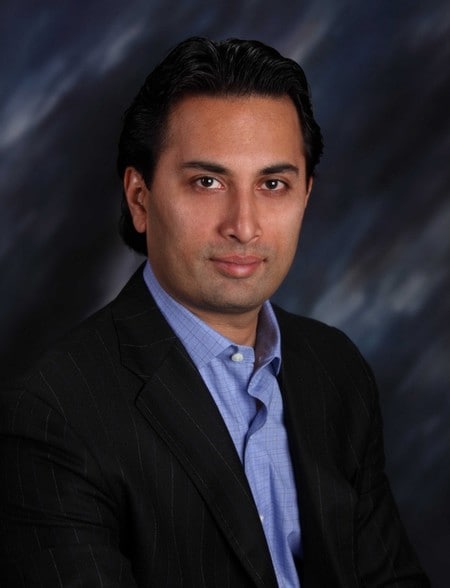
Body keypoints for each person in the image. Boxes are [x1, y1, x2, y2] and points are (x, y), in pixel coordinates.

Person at [0, 37, 429, 587]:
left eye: (272, 184)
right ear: (140, 199)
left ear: (305, 196)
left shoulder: (335, 369)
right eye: (207, 182)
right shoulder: (52, 415)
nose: (243, 226)